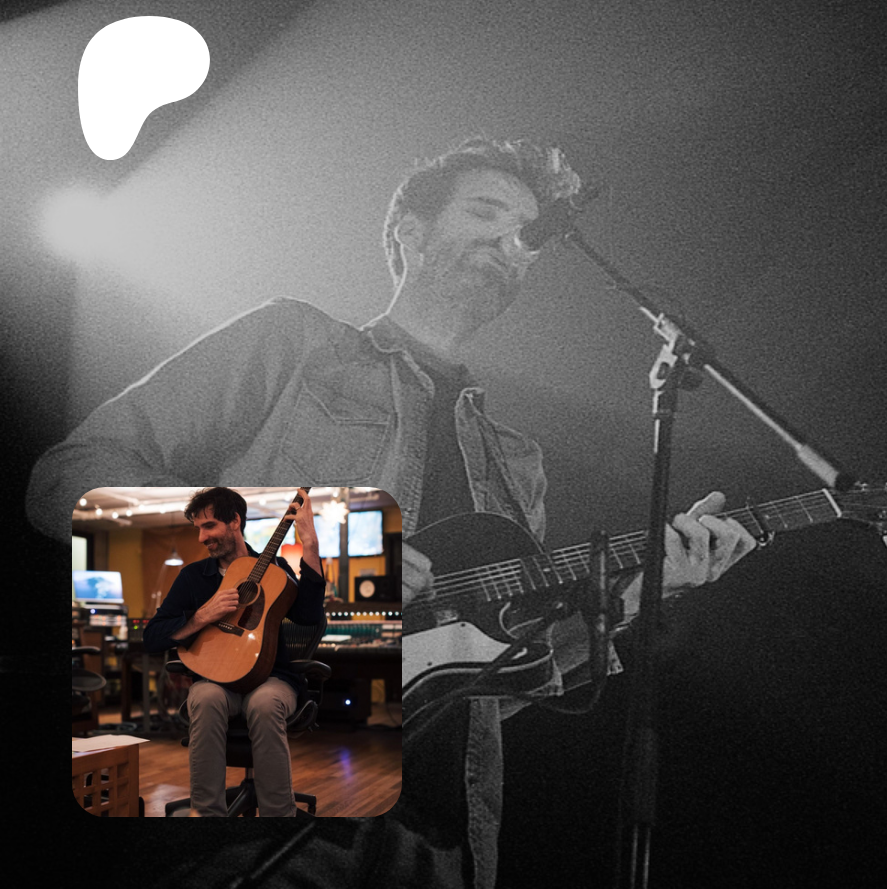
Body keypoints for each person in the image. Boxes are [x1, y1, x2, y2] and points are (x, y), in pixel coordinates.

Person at [32, 137, 755, 885]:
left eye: (527, 233)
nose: (509, 240)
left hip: (436, 844)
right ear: (409, 231)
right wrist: (304, 545)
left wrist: (635, 598)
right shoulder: (294, 344)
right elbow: (68, 480)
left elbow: (483, 683)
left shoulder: (516, 460)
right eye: (485, 212)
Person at [142, 486, 326, 817]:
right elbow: (152, 637)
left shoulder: (275, 570)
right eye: (198, 528)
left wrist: (310, 544)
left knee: (264, 703)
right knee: (204, 697)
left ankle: (278, 819)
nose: (202, 537)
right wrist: (202, 615)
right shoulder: (193, 577)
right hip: (214, 681)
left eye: (209, 526)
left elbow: (310, 617)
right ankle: (207, 816)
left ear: (235, 522)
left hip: (272, 678)